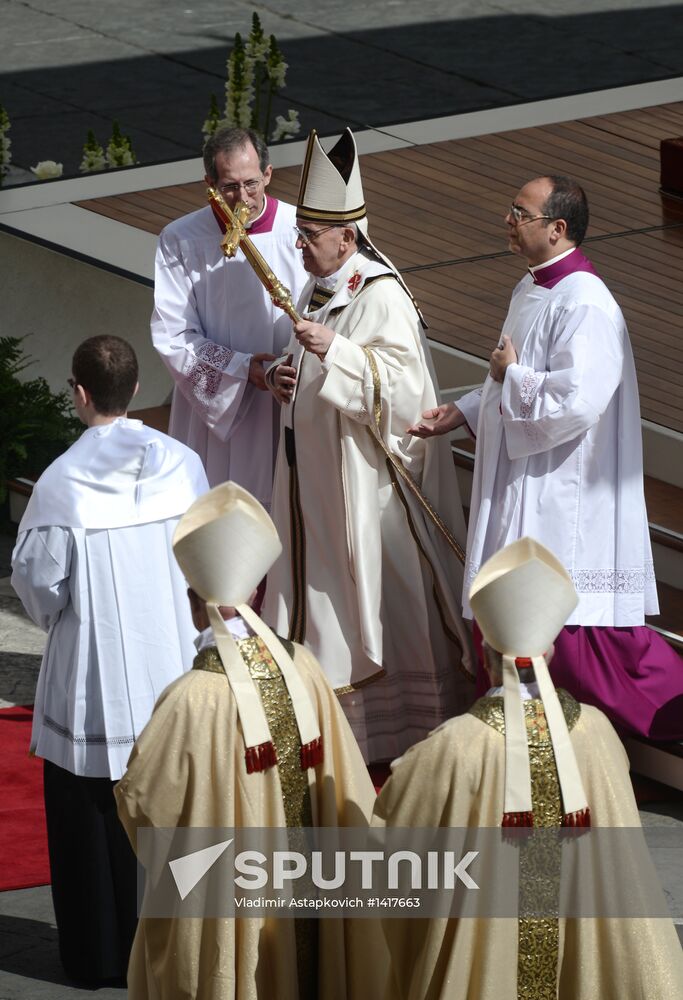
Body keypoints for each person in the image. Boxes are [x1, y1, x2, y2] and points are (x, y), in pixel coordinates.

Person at [409, 174, 683, 740]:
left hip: (564, 489)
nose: (507, 221)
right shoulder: (532, 287)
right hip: (525, 474)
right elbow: (507, 374)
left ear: (558, 229)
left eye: (520, 213)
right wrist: (465, 410)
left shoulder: (587, 304)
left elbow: (577, 401)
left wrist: (511, 377)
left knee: (580, 635)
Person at [372, 537, 683, 999]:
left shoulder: (458, 745)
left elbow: (395, 831)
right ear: (552, 654)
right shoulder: (596, 731)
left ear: (484, 657)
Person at [115, 481, 386, 1000]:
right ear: (257, 592)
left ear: (194, 602)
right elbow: (350, 786)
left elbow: (147, 809)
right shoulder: (305, 667)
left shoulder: (190, 698)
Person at [262, 128, 474, 764]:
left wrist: (341, 355)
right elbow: (304, 353)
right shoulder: (316, 285)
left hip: (366, 484)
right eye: (299, 234)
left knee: (378, 597)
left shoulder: (381, 294)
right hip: (312, 478)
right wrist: (283, 373)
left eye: (311, 236)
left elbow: (408, 393)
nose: (299, 246)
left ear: (347, 238)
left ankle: (400, 728)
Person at [11, 335, 209, 985]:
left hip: (92, 679)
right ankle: (165, 950)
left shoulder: (63, 483)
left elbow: (39, 587)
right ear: (129, 389)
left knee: (89, 815)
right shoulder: (181, 463)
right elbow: (204, 553)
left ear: (80, 392)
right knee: (163, 809)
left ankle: (97, 957)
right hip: (170, 668)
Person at [151, 125, 308, 501]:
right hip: (218, 409)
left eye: (252, 183)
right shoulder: (181, 239)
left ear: (268, 174)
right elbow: (172, 335)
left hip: (290, 393)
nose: (243, 198)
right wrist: (241, 369)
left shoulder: (302, 228)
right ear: (209, 183)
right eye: (230, 187)